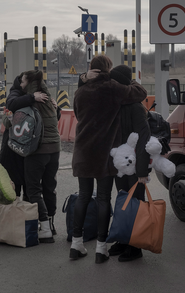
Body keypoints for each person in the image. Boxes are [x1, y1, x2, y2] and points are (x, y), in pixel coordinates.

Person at [70, 55, 147, 264]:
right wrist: (130, 81)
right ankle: (101, 249)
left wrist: (83, 78)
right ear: (108, 69)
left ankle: (76, 244)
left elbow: (78, 114)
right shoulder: (113, 88)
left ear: (91, 69)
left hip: (82, 152)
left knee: (84, 196)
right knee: (104, 198)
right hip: (104, 154)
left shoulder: (80, 92)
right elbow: (141, 93)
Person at [108, 64, 151, 262]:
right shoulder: (117, 104)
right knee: (123, 202)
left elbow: (144, 139)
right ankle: (124, 241)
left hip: (134, 166)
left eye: (114, 81)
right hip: (121, 166)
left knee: (135, 205)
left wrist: (142, 171)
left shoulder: (136, 107)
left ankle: (136, 247)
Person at [20, 70, 61, 243]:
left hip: (38, 151)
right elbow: (55, 118)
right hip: (55, 149)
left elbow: (17, 123)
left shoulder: (31, 102)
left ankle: (43, 228)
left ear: (29, 83)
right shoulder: (49, 100)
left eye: (23, 81)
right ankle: (51, 225)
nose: (21, 84)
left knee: (33, 190)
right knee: (49, 187)